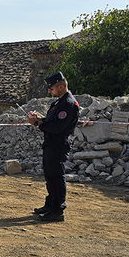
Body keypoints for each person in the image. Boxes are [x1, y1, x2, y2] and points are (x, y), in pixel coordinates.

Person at [27, 71, 79, 222]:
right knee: (50, 176)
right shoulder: (58, 102)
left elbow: (57, 128)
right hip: (51, 143)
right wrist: (39, 119)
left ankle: (57, 210)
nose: (50, 91)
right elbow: (51, 121)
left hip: (58, 144)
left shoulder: (68, 104)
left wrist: (37, 124)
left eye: (52, 88)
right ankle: (50, 204)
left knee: (57, 177)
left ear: (61, 86)